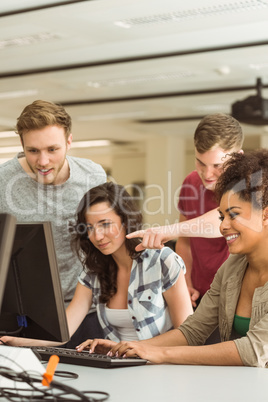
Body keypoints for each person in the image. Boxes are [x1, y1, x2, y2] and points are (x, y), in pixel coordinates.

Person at [76, 149, 268, 368]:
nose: (223, 226)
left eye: (234, 214)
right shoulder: (232, 269)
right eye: (222, 216)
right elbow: (192, 331)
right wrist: (129, 349)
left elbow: (254, 350)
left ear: (265, 215)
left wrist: (160, 353)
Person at [0, 182, 193, 347]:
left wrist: (127, 348)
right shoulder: (93, 273)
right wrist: (14, 341)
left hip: (162, 366)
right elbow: (62, 333)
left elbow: (188, 334)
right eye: (90, 228)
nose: (97, 236)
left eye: (105, 224)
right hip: (119, 369)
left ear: (126, 221)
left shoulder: (162, 261)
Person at [0, 100, 107, 345]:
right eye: (33, 150)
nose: (43, 161)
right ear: (22, 145)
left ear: (69, 141)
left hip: (84, 311)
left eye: (52, 149)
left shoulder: (93, 176)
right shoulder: (3, 181)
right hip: (21, 316)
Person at [128, 114, 244, 308]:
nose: (207, 174)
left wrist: (167, 231)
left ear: (238, 157)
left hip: (237, 295)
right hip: (200, 294)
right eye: (200, 162)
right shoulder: (191, 182)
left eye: (217, 166)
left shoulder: (249, 184)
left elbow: (221, 220)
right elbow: (186, 241)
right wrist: (186, 282)